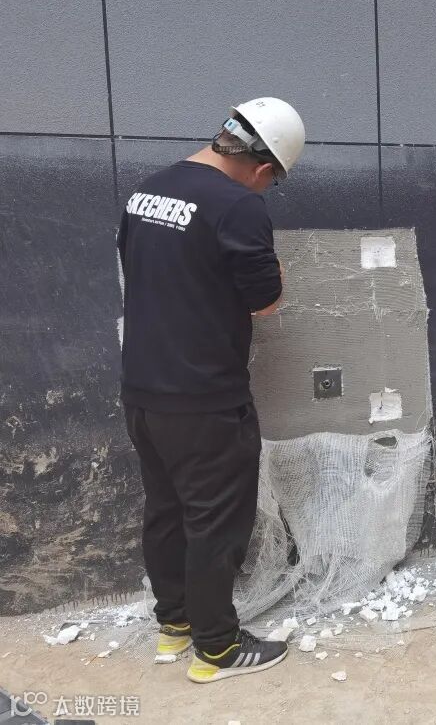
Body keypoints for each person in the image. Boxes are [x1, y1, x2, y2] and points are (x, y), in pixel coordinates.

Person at [117, 97, 305, 683]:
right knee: (215, 522)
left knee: (166, 510)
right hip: (204, 395)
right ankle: (217, 649)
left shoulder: (147, 190)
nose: (266, 188)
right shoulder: (238, 206)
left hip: (143, 388)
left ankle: (174, 623)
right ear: (263, 167)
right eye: (272, 180)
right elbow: (264, 300)